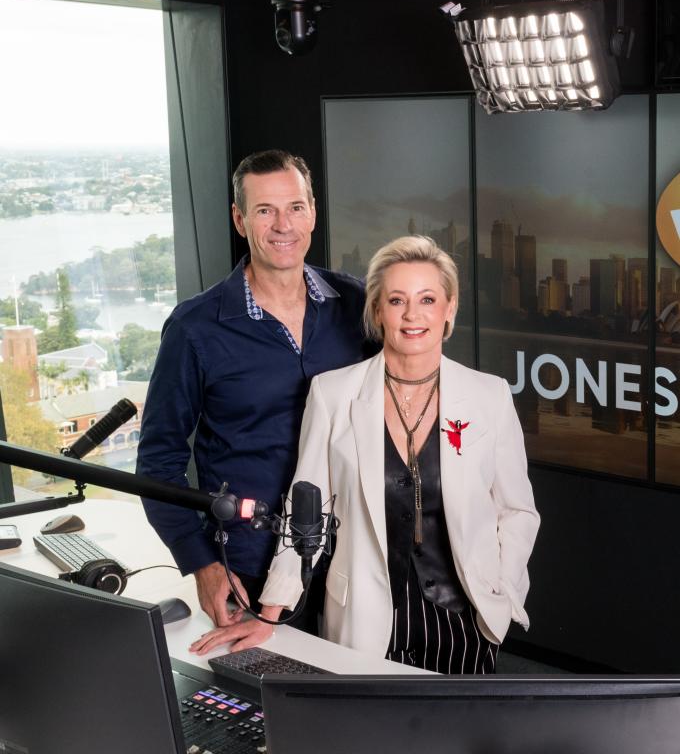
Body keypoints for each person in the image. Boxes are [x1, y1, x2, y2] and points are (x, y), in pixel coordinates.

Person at [191, 235, 540, 672]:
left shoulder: (489, 396)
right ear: (377, 310)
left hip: (465, 622)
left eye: (427, 299)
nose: (412, 314)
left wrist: (502, 590)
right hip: (364, 621)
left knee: (460, 718)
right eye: (396, 300)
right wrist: (270, 612)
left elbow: (517, 510)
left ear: (449, 308)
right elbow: (306, 510)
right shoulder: (333, 393)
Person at [136, 149, 373, 630]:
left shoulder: (357, 304)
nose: (283, 225)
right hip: (248, 565)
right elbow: (158, 462)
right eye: (265, 210)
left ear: (312, 213)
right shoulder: (195, 329)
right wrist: (201, 562)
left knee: (361, 678)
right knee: (267, 681)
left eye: (295, 208)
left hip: (355, 557)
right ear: (240, 219)